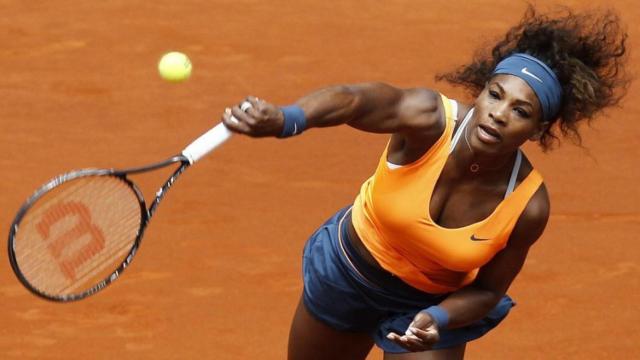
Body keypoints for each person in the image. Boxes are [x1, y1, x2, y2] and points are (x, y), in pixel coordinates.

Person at [220, 5, 628, 360]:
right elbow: (353, 100)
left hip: (426, 304)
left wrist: (437, 319)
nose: (498, 114)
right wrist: (287, 119)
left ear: (537, 130)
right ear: (480, 92)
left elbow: (487, 292)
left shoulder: (528, 206)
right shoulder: (429, 120)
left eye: (520, 110)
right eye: (495, 94)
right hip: (348, 273)